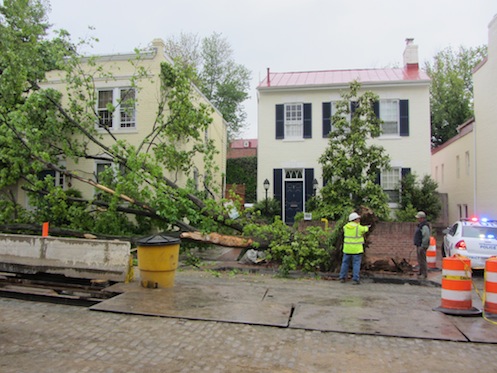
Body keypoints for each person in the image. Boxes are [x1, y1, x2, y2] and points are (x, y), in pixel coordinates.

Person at [339, 212, 369, 285]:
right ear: (354, 219)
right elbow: (365, 229)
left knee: (345, 263)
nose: (359, 220)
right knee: (356, 264)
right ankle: (355, 279)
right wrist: (367, 227)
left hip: (347, 249)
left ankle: (342, 277)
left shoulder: (345, 227)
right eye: (358, 218)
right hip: (356, 249)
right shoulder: (359, 227)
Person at [413, 211, 431, 279]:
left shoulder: (424, 226)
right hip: (419, 245)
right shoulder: (421, 225)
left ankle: (424, 274)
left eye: (419, 218)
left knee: (422, 260)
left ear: (422, 218)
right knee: (420, 260)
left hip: (421, 246)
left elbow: (426, 236)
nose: (418, 219)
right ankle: (421, 272)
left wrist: (423, 245)